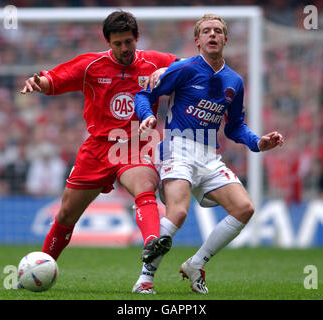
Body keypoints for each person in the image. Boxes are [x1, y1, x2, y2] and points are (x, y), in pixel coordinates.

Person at [20, 11, 177, 280]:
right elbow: (54, 80)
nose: (124, 48)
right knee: (67, 214)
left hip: (136, 143)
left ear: (137, 38)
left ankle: (152, 242)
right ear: (108, 42)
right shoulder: (91, 65)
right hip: (98, 147)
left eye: (129, 42)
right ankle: (38, 271)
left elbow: (191, 69)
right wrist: (39, 84)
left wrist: (170, 70)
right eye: (118, 44)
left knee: (144, 186)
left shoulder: (155, 62)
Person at [133, 14, 284, 294]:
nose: (212, 35)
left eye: (217, 31)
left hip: (208, 155)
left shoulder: (234, 81)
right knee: (177, 211)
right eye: (206, 31)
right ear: (197, 40)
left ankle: (196, 263)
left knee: (244, 208)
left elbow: (235, 126)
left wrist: (258, 143)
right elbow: (144, 95)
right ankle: (145, 279)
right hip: (178, 147)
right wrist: (146, 117)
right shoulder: (184, 69)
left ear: (225, 39)